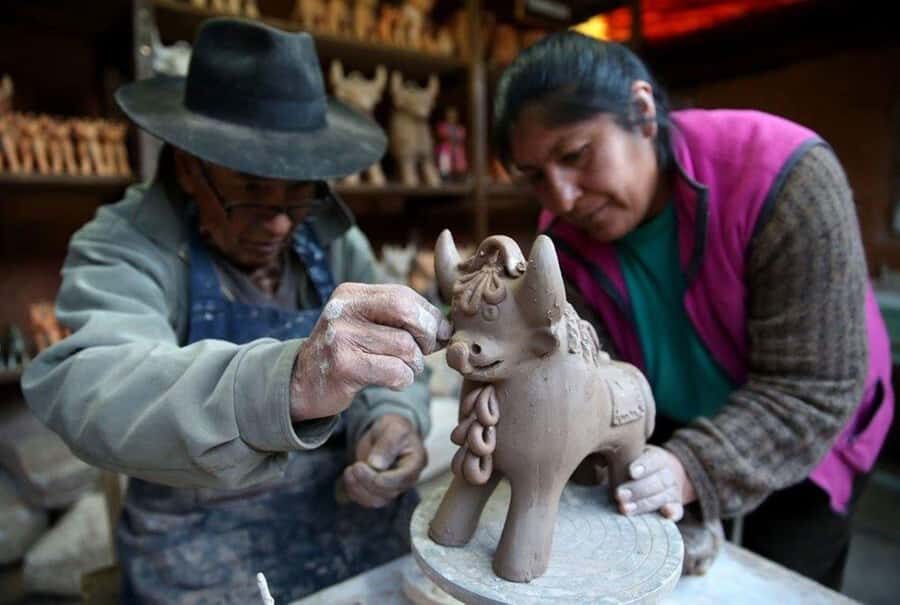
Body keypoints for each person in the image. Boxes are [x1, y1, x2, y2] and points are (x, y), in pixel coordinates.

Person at [21, 18, 451, 603]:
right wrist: (289, 382)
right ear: (188, 165)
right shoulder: (123, 244)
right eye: (251, 188)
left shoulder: (329, 237)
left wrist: (391, 418)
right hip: (196, 548)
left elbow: (389, 353)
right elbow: (94, 384)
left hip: (348, 519)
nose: (278, 222)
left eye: (299, 190)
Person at [492, 31, 894, 589]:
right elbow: (588, 375)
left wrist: (695, 469)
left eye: (575, 155)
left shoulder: (786, 177)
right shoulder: (559, 240)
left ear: (642, 110)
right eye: (536, 176)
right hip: (670, 416)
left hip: (809, 425)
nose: (561, 197)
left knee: (783, 580)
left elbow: (814, 385)